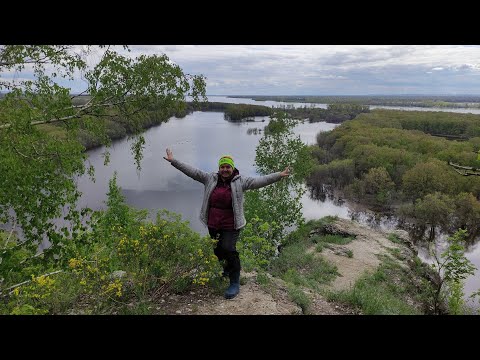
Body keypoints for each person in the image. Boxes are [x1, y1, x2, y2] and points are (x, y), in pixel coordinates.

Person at [163, 148, 290, 299]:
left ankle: (234, 281)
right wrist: (174, 161)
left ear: (232, 168)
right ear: (219, 168)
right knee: (217, 251)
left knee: (228, 248)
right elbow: (193, 172)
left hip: (232, 223)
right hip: (213, 222)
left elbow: (259, 181)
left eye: (227, 167)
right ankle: (226, 270)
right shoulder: (210, 178)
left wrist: (278, 175)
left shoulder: (240, 181)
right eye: (222, 167)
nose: (225, 169)